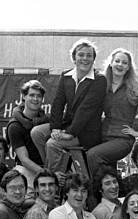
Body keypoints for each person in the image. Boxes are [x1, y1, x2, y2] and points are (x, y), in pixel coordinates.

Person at [32, 39, 107, 177]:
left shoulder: (99, 80)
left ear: (93, 59)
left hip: (86, 132)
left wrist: (70, 133)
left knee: (52, 144)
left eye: (89, 55)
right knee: (37, 133)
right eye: (81, 55)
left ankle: (54, 180)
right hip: (68, 125)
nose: (85, 58)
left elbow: (86, 110)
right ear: (74, 58)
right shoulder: (66, 76)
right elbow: (58, 103)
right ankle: (53, 171)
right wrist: (55, 127)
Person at [89, 48, 138, 173]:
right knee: (108, 172)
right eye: (117, 61)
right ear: (111, 63)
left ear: (128, 68)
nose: (120, 65)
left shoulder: (134, 88)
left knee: (92, 156)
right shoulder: (102, 84)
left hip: (122, 139)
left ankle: (92, 191)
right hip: (103, 135)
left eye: (124, 63)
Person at [7, 80, 49, 196]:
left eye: (39, 96)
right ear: (24, 96)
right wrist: (47, 174)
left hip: (46, 170)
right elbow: (24, 159)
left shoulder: (47, 122)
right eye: (31, 95)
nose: (35, 99)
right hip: (27, 172)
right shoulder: (15, 126)